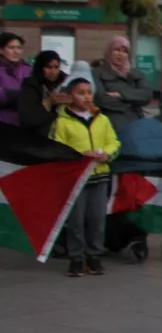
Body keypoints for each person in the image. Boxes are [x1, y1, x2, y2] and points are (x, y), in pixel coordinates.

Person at [51, 62, 119, 277]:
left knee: (97, 219)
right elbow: (57, 147)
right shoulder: (62, 122)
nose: (86, 97)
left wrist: (106, 154)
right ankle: (76, 258)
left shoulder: (103, 119)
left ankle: (94, 256)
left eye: (89, 93)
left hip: (100, 176)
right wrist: (81, 155)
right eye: (81, 93)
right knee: (76, 221)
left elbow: (114, 142)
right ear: (70, 95)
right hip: (76, 179)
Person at [94, 35, 154, 131]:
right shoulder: (97, 73)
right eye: (117, 50)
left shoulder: (135, 73)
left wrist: (121, 95)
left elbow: (147, 94)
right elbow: (101, 99)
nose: (121, 54)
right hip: (111, 126)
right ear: (109, 51)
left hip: (136, 124)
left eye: (125, 51)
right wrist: (133, 102)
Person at [19, 50, 69, 136]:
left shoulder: (65, 83)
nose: (53, 71)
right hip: (38, 136)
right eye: (49, 67)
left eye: (56, 67)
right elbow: (29, 118)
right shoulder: (31, 85)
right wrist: (49, 102)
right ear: (41, 67)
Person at [0, 32, 30, 125]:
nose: (16, 51)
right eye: (11, 47)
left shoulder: (29, 70)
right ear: (1, 50)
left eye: (19, 48)